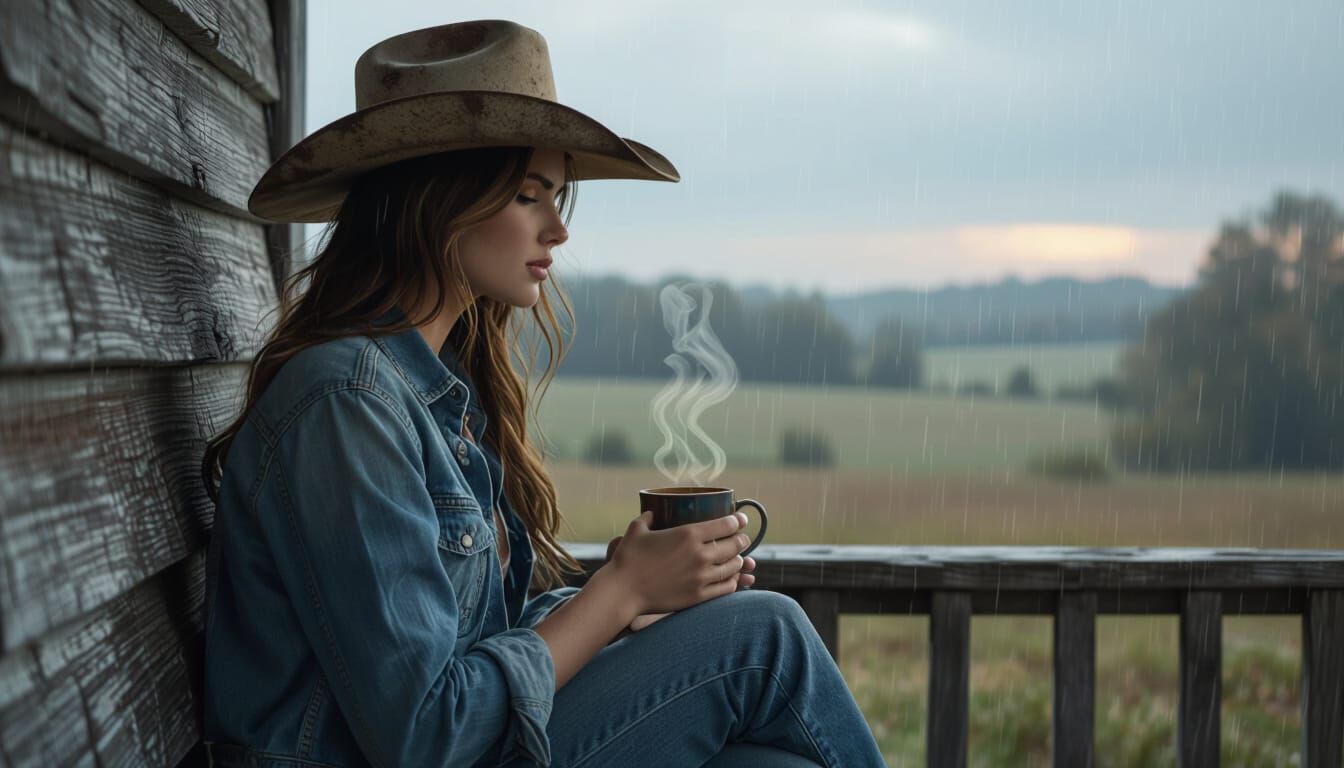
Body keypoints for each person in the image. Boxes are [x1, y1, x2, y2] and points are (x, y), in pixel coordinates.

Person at [199, 19, 885, 768]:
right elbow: (428, 735)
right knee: (766, 636)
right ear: (436, 200)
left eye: (559, 197)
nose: (558, 229)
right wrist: (615, 594)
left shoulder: (433, 396)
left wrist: (632, 596)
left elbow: (481, 647)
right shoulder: (345, 405)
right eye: (529, 195)